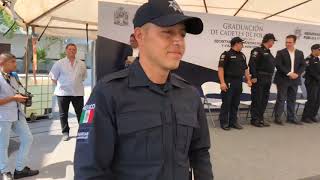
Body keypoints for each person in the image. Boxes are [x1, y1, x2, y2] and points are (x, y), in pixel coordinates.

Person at [74, 0, 214, 179]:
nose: (178, 41)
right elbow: (90, 171)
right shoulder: (108, 93)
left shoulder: (189, 94)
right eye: (168, 32)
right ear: (139, 36)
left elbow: (200, 153)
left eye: (182, 34)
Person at [0, 53, 39, 180]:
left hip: (17, 113)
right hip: (3, 116)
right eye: (13, 62)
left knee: (28, 139)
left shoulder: (14, 76)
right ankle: (5, 171)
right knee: (3, 145)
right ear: (3, 63)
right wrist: (13, 98)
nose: (15, 65)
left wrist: (22, 98)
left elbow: (15, 92)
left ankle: (20, 169)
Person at [49, 43, 87, 141]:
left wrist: (74, 83)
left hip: (77, 92)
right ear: (66, 50)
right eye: (70, 49)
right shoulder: (59, 63)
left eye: (74, 49)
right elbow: (53, 77)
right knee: (63, 114)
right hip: (63, 93)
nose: (72, 51)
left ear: (76, 51)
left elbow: (83, 77)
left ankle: (83, 131)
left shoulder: (81, 63)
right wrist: (61, 85)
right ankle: (65, 132)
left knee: (80, 113)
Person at [218, 37, 252, 130]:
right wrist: (222, 82)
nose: (242, 45)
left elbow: (246, 69)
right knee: (227, 103)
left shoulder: (242, 55)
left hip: (238, 82)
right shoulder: (226, 54)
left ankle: (233, 122)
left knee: (235, 103)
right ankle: (224, 122)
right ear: (236, 44)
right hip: (228, 81)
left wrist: (248, 80)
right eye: (241, 43)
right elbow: (221, 69)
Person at [273, 35, 305, 125]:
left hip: (295, 79)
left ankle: (291, 118)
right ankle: (278, 118)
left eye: (290, 42)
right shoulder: (280, 52)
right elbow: (278, 65)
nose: (288, 44)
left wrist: (297, 74)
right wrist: (289, 73)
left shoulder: (300, 53)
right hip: (283, 79)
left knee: (292, 99)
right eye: (286, 42)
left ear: (294, 43)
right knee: (281, 98)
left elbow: (303, 65)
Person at [249, 33, 277, 127]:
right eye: (273, 41)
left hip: (268, 78)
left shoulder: (268, 52)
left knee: (264, 99)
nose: (273, 43)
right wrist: (253, 76)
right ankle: (255, 119)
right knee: (257, 98)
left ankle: (260, 118)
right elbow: (252, 63)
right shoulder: (257, 50)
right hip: (259, 78)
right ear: (269, 40)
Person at [301, 44, 320, 123]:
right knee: (312, 99)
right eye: (319, 50)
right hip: (311, 82)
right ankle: (306, 117)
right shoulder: (308, 59)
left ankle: (313, 115)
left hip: (318, 82)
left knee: (318, 100)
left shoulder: (317, 59)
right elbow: (311, 71)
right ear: (314, 50)